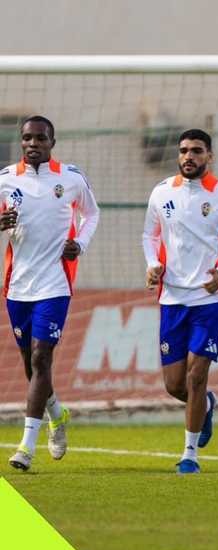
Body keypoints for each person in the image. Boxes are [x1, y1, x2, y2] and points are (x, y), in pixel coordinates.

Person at [142, 129, 218, 474]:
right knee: (174, 384)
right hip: (172, 298)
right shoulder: (162, 192)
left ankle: (189, 455)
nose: (188, 156)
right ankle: (206, 404)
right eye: (184, 151)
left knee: (196, 375)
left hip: (210, 299)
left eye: (196, 151)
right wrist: (152, 264)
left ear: (210, 156)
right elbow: (149, 235)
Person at [3, 116, 100, 471]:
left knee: (42, 358)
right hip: (18, 286)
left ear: (52, 142)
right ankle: (57, 416)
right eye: (27, 138)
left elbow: (92, 214)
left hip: (55, 284)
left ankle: (26, 448)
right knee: (32, 366)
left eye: (40, 139)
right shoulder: (5, 179)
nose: (32, 144)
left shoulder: (71, 178)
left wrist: (80, 243)